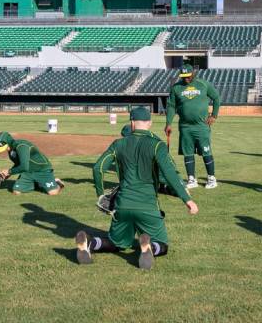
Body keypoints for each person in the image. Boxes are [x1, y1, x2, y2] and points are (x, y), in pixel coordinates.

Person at [77, 107, 198, 270]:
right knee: (162, 244)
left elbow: (98, 168)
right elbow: (170, 175)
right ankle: (149, 248)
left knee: (116, 243)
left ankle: (90, 243)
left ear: (132, 122)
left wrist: (101, 196)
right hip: (147, 205)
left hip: (123, 204)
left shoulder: (118, 143)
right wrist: (187, 200)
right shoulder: (157, 145)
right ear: (150, 123)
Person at [164, 64, 221, 189]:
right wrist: (168, 123)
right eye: (184, 77)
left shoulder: (203, 84)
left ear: (193, 73)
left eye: (188, 76)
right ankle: (191, 179)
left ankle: (211, 178)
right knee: (187, 152)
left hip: (201, 126)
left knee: (206, 151)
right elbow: (171, 106)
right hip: (185, 127)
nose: (186, 79)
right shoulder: (176, 87)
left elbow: (216, 98)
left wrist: (214, 115)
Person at [0, 131, 64, 195]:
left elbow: (24, 166)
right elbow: (19, 164)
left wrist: (9, 171)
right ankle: (37, 183)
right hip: (28, 172)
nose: (4, 149)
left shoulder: (21, 146)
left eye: (4, 146)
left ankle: (57, 182)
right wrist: (7, 174)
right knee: (16, 192)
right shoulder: (11, 150)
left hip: (42, 170)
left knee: (53, 193)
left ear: (8, 141)